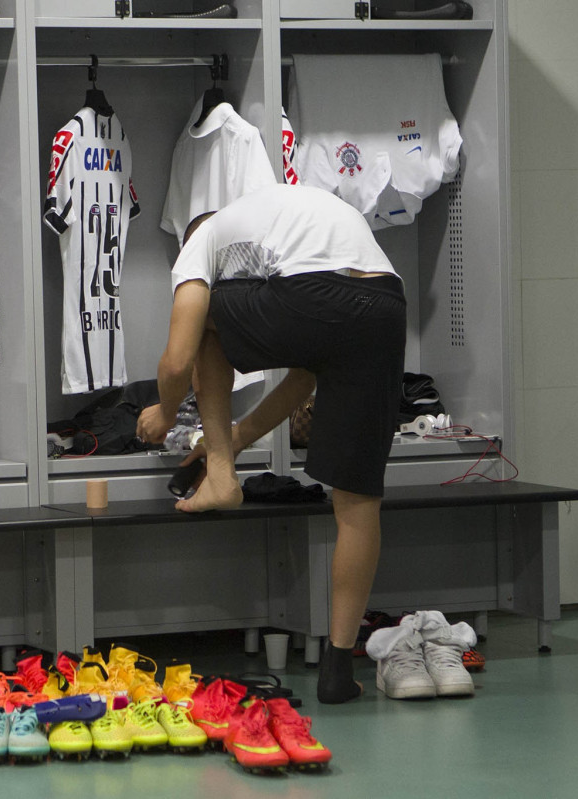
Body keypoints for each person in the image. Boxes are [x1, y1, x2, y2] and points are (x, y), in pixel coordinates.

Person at [135, 183, 407, 704]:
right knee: (358, 502)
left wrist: (167, 412)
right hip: (384, 306)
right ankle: (336, 670)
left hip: (318, 294)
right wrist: (237, 436)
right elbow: (303, 378)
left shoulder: (205, 237)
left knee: (205, 326)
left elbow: (177, 357)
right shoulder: (279, 223)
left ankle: (220, 480)